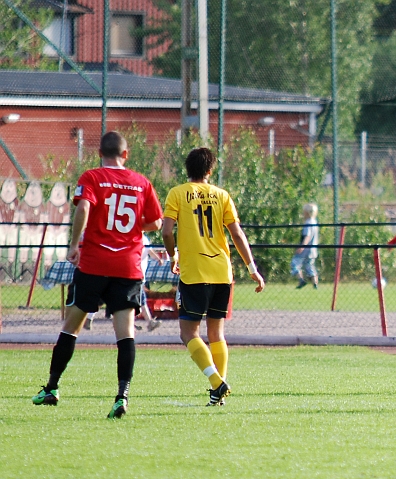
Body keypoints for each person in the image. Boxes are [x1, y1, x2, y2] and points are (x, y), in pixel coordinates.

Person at [31, 131, 164, 418]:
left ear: (99, 154)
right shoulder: (142, 183)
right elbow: (155, 222)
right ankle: (121, 396)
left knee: (71, 326)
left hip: (94, 263)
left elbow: (85, 208)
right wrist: (129, 227)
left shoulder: (91, 177)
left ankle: (52, 387)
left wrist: (74, 244)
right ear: (125, 154)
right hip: (128, 266)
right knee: (125, 333)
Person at [162, 147, 265, 406]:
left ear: (187, 170)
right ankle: (217, 393)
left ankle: (216, 382)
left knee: (188, 333)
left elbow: (166, 231)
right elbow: (237, 235)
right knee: (217, 333)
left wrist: (173, 254)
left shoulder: (177, 193)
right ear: (210, 170)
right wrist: (252, 269)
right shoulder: (222, 195)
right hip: (221, 271)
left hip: (195, 272)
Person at [137, 233, 163, 331]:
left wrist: (158, 259)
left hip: (141, 274)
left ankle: (148, 321)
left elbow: (149, 250)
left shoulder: (144, 238)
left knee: (140, 298)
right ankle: (149, 321)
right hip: (135, 274)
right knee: (140, 299)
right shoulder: (136, 236)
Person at [291, 203, 319, 289]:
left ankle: (301, 280)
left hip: (306, 249)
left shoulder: (308, 223)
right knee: (310, 265)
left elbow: (307, 236)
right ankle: (315, 284)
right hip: (313, 249)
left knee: (295, 263)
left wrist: (302, 246)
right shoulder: (315, 222)